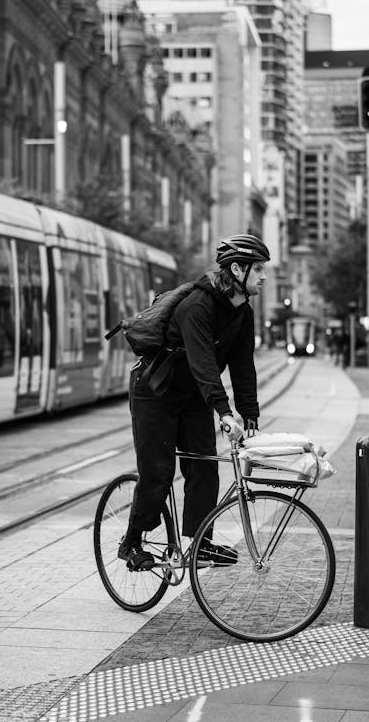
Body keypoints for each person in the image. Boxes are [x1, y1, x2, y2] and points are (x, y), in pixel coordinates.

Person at [118, 234, 270, 571]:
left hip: (193, 396)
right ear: (237, 269)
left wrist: (251, 417)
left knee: (204, 468)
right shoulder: (197, 306)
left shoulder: (243, 312)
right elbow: (204, 363)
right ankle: (131, 542)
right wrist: (224, 411)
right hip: (155, 392)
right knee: (158, 472)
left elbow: (244, 367)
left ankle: (200, 543)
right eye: (258, 269)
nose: (264, 276)